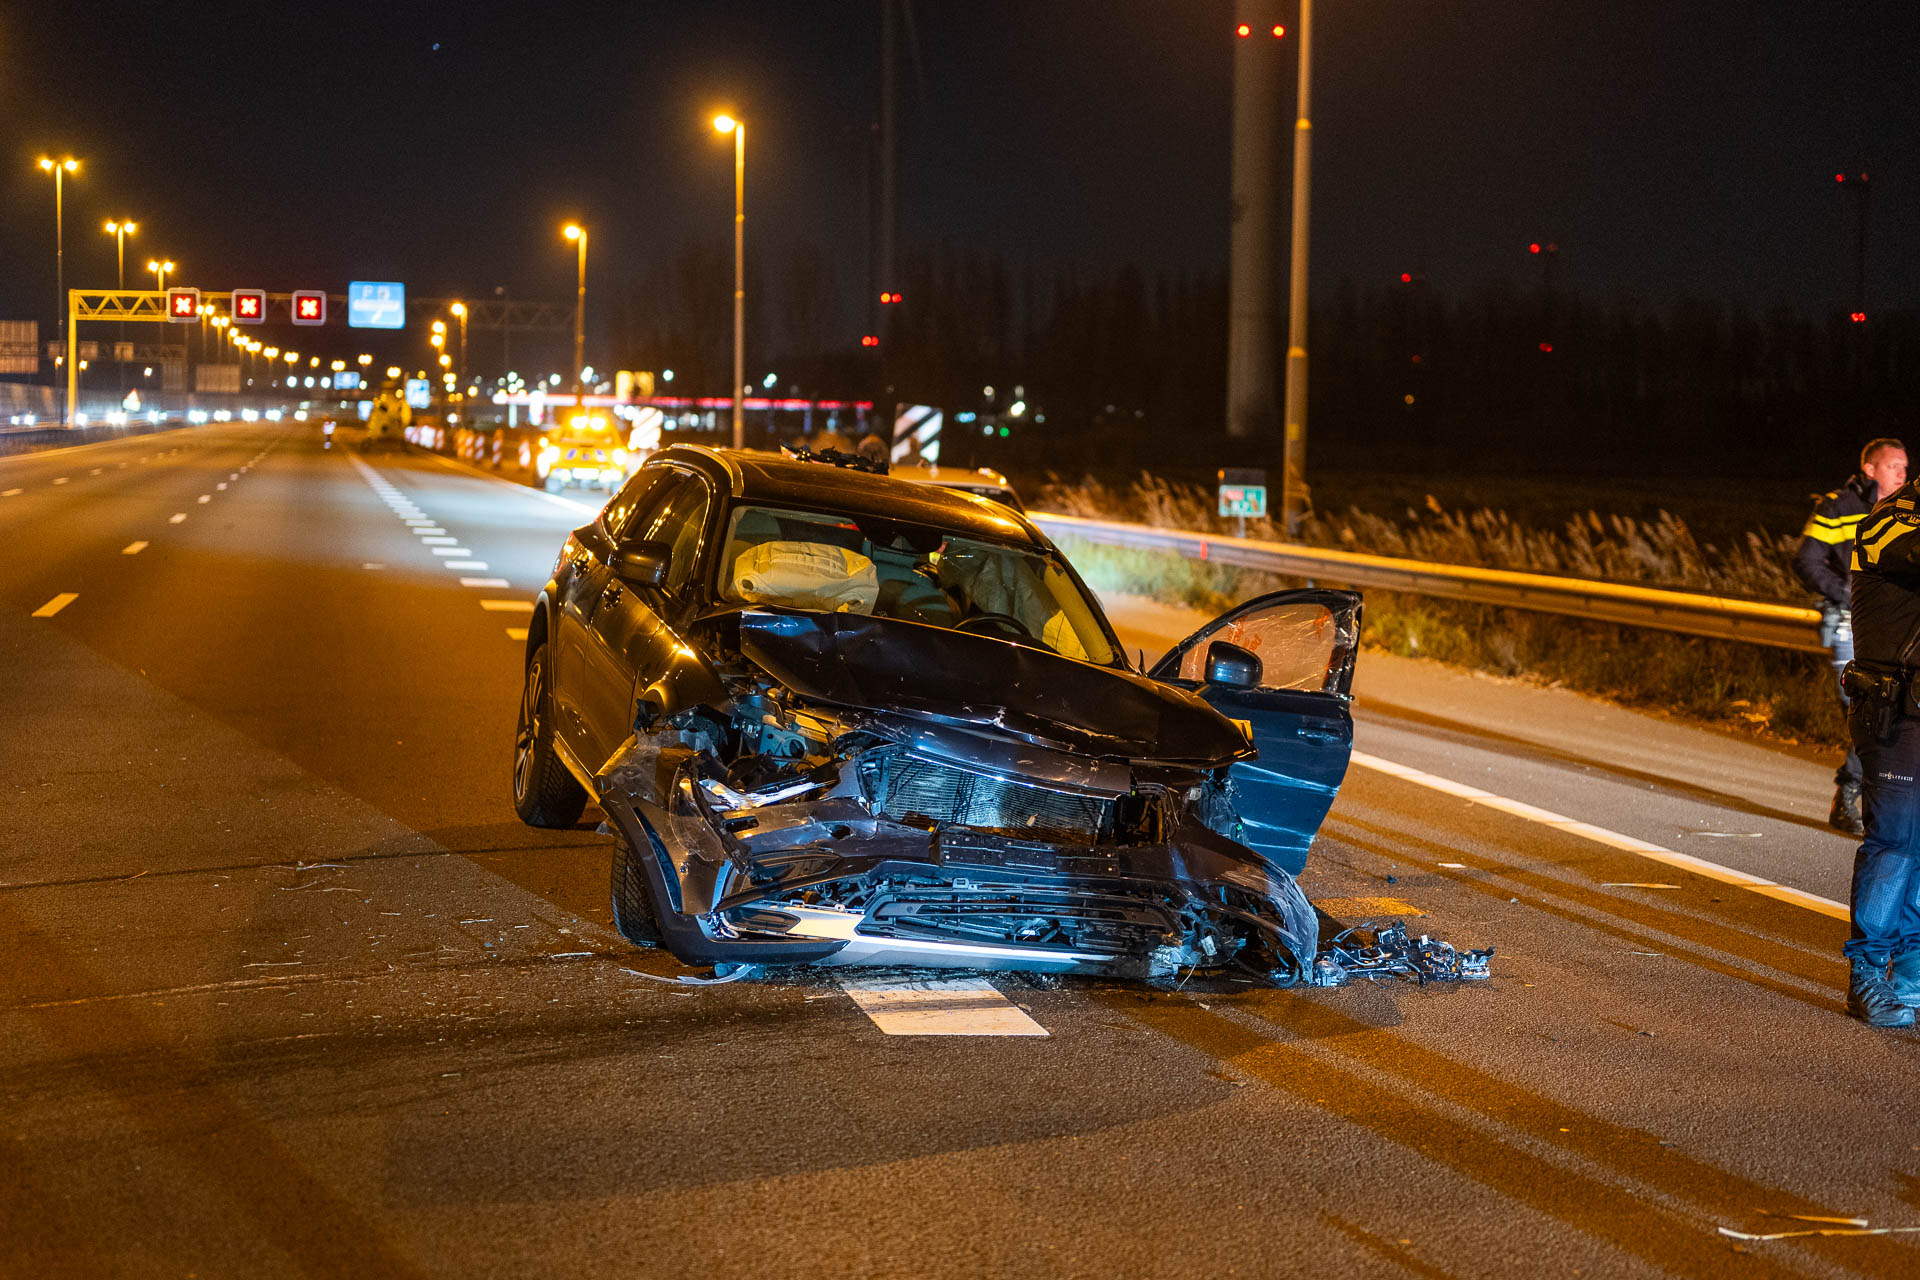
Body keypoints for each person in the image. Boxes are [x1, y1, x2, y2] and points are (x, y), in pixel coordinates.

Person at [1835, 476, 1920, 1025]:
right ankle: (1866, 974)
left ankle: (1912, 972)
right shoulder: (1890, 521)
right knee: (1895, 843)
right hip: (1895, 712)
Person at [1794, 438, 1908, 834]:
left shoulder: (1907, 512)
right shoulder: (1839, 507)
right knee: (1869, 710)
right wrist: (1846, 593)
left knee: (1886, 714)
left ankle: (1863, 798)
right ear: (1870, 469)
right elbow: (1806, 560)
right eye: (1893, 466)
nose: (1902, 474)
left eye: (1905, 467)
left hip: (1891, 627)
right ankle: (1850, 795)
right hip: (1847, 624)